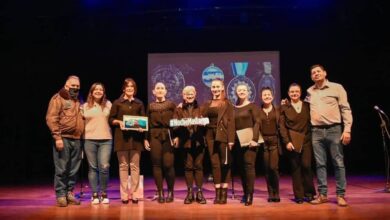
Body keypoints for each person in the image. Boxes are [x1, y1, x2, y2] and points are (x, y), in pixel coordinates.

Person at [306, 64, 352, 207]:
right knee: (320, 164)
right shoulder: (309, 91)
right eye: (313, 73)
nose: (316, 74)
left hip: (334, 129)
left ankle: (340, 195)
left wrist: (347, 129)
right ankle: (323, 195)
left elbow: (345, 109)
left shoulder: (337, 87)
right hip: (316, 131)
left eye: (318, 71)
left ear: (325, 73)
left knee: (338, 163)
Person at [46, 75, 84, 207]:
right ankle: (61, 195)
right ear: (66, 85)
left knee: (73, 169)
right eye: (73, 85)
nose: (75, 88)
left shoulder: (79, 100)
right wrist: (57, 137)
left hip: (77, 139)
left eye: (77, 86)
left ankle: (69, 193)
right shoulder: (58, 98)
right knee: (62, 168)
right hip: (63, 138)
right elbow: (51, 118)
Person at [109, 78, 146, 204]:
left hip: (136, 140)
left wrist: (142, 128)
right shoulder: (117, 103)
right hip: (122, 139)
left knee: (135, 167)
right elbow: (111, 119)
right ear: (124, 89)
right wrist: (119, 122)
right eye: (127, 86)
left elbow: (143, 120)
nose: (130, 88)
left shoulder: (139, 103)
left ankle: (135, 194)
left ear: (134, 89)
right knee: (123, 167)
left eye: (132, 86)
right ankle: (124, 195)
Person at [279, 83, 316, 204]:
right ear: (288, 94)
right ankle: (299, 196)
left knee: (306, 166)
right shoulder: (285, 107)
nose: (294, 93)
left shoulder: (307, 106)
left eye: (297, 91)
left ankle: (309, 193)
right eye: (292, 92)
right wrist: (287, 142)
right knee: (296, 168)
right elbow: (282, 127)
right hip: (292, 142)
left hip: (306, 141)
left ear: (300, 93)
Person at [202, 79, 235, 204]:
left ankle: (224, 193)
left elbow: (231, 122)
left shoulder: (227, 104)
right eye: (213, 87)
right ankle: (217, 193)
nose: (215, 88)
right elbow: (198, 114)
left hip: (223, 135)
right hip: (210, 135)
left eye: (217, 86)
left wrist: (231, 140)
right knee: (214, 164)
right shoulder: (207, 104)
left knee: (225, 164)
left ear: (222, 88)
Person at [173, 86, 207, 204]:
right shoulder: (179, 109)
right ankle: (189, 193)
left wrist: (203, 121)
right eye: (187, 94)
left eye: (191, 93)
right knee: (188, 168)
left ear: (195, 94)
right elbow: (174, 125)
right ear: (183, 96)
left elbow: (207, 124)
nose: (189, 95)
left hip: (199, 142)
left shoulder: (202, 108)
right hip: (185, 142)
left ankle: (199, 193)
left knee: (198, 167)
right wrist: (182, 123)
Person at [144, 82, 177, 203]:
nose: (160, 90)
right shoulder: (151, 106)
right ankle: (160, 192)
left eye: (162, 88)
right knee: (156, 165)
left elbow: (176, 121)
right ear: (153, 91)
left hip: (168, 135)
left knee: (168, 165)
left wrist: (176, 136)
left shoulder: (171, 105)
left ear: (166, 91)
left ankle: (170, 191)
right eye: (157, 88)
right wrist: (145, 138)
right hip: (154, 136)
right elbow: (146, 123)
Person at [82, 82, 112, 204]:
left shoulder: (108, 104)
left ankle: (104, 193)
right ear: (92, 92)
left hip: (106, 139)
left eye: (101, 89)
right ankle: (94, 194)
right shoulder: (84, 106)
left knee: (104, 167)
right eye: (96, 89)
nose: (99, 91)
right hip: (89, 139)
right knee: (93, 168)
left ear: (103, 92)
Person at [233, 84, 261, 206]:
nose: (242, 92)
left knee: (249, 166)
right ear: (236, 92)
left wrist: (254, 139)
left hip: (250, 141)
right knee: (242, 169)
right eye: (239, 90)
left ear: (248, 92)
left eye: (244, 90)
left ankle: (250, 194)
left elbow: (257, 123)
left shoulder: (253, 107)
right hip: (238, 142)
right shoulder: (233, 107)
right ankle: (245, 193)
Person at [258, 87, 281, 202]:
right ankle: (270, 193)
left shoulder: (278, 110)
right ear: (261, 97)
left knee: (274, 167)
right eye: (264, 95)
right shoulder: (258, 111)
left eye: (268, 94)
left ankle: (276, 192)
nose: (266, 96)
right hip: (264, 142)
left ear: (272, 96)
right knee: (267, 169)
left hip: (274, 141)